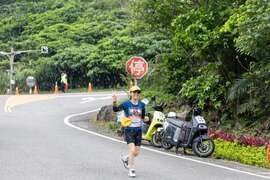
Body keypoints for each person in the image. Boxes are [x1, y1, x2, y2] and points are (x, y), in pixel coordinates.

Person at [112, 85, 148, 178]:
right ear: (131, 93)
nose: (136, 94)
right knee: (132, 150)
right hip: (129, 130)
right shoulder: (126, 104)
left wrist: (146, 119)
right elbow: (115, 109)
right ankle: (131, 169)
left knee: (136, 153)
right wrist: (114, 101)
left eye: (138, 92)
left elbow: (143, 117)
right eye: (134, 92)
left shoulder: (142, 105)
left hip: (138, 130)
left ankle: (126, 158)